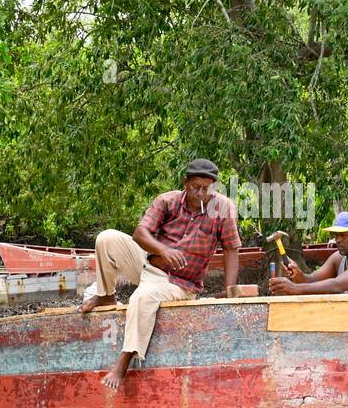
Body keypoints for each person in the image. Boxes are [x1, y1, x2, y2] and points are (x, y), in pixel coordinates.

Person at [81, 158, 241, 390]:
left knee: (141, 297)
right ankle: (106, 294)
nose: (201, 193)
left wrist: (230, 290)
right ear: (185, 182)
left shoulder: (223, 208)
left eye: (207, 189)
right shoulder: (168, 201)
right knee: (106, 238)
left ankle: (124, 361)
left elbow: (231, 249)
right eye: (196, 187)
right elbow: (140, 233)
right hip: (148, 266)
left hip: (179, 283)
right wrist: (163, 250)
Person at [267, 211, 348, 295]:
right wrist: (298, 274)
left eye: (343, 235)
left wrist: (294, 288)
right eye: (336, 235)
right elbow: (312, 280)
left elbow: (337, 285)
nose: (338, 239)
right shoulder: (338, 257)